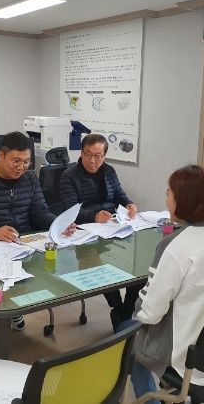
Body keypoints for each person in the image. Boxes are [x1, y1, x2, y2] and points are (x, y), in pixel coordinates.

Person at [119, 165, 204, 402]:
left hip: (193, 357)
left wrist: (138, 313)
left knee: (125, 331)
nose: (166, 200)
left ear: (184, 201)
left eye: (168, 193)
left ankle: (152, 399)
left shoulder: (174, 245)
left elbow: (150, 314)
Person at [0, 131, 74, 349]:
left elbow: (40, 211)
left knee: (44, 269)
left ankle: (12, 309)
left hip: (23, 244)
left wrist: (58, 223)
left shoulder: (29, 179)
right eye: (16, 161)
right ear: (1, 156)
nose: (21, 167)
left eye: (26, 162)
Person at [59, 133, 140, 330]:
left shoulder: (109, 171)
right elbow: (70, 210)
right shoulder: (69, 176)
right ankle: (119, 308)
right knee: (98, 265)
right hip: (84, 233)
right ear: (81, 153)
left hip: (112, 228)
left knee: (138, 269)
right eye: (88, 155)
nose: (93, 160)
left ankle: (125, 309)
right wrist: (93, 216)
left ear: (104, 156)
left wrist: (129, 204)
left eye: (98, 156)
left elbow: (119, 195)